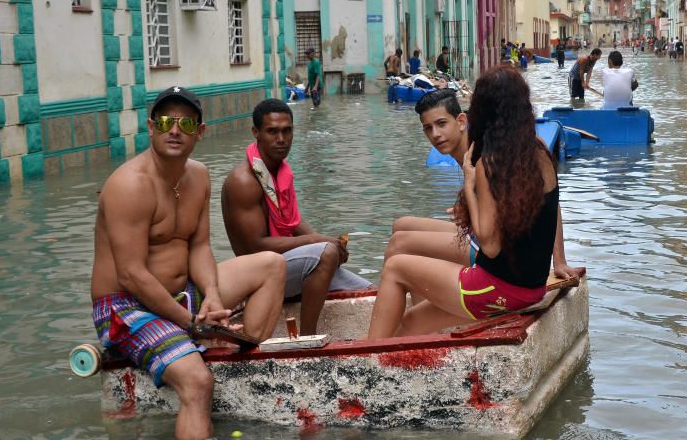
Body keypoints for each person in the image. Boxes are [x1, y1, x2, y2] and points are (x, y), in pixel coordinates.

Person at [91, 87, 285, 440]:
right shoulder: (129, 185)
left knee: (272, 265)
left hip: (182, 297)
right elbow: (130, 274)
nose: (175, 130)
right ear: (151, 127)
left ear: (201, 131)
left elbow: (198, 246)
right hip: (125, 308)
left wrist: (211, 295)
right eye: (165, 122)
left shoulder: (198, 176)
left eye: (185, 123)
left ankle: (237, 364)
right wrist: (191, 325)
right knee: (198, 383)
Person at [368, 67, 568, 339]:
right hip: (530, 288)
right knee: (411, 324)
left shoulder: (489, 163)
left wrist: (469, 183)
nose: (435, 134)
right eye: (429, 128)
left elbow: (490, 245)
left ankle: (366, 359)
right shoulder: (539, 150)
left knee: (395, 267)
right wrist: (559, 261)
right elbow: (549, 205)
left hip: (495, 288)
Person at [386, 88, 579, 280]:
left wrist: (559, 260)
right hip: (481, 236)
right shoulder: (465, 152)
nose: (435, 134)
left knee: (400, 243)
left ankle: (393, 294)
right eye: (428, 128)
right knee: (400, 225)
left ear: (461, 122)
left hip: (495, 253)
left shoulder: (484, 154)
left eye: (441, 124)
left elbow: (549, 202)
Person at [221, 99, 374, 336]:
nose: (281, 139)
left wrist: (329, 242)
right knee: (325, 252)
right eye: (272, 131)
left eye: (287, 130)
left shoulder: (279, 172)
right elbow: (256, 246)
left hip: (285, 264)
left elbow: (292, 223)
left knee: (371, 291)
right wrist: (319, 242)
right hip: (259, 277)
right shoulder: (244, 181)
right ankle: (307, 339)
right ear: (256, 133)